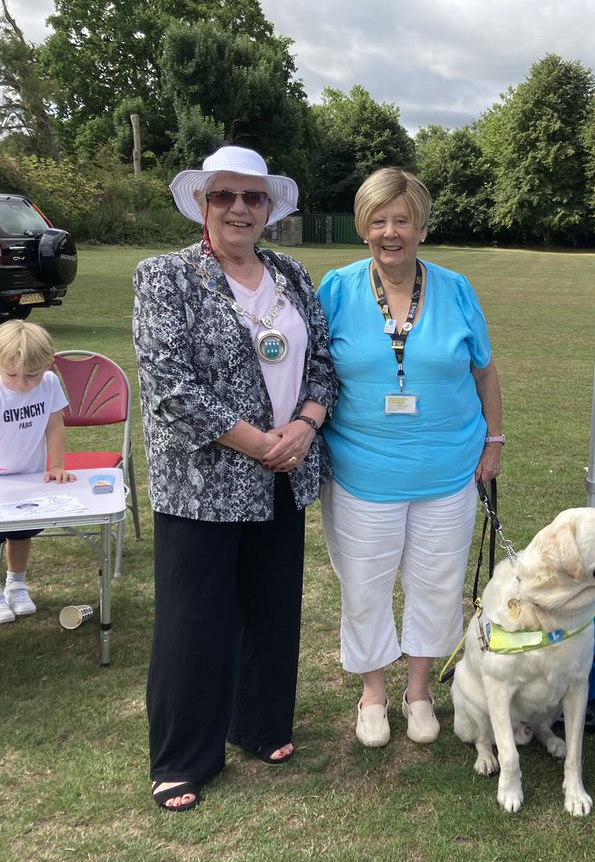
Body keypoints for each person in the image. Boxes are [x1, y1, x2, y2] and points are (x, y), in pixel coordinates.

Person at [132, 145, 336, 812]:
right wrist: (258, 442)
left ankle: (261, 724)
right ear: (202, 203)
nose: (239, 208)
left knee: (272, 609)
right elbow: (170, 386)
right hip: (202, 482)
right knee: (195, 622)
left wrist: (304, 426)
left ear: (269, 208)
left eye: (253, 197)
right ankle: (182, 758)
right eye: (225, 195)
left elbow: (323, 365)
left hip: (284, 474)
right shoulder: (165, 276)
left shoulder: (292, 274)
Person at [317, 168, 502, 748]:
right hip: (361, 470)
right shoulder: (336, 289)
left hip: (449, 470)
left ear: (422, 227)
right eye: (379, 220)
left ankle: (418, 691)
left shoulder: (457, 288)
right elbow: (312, 373)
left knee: (438, 584)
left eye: (402, 220)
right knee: (364, 587)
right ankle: (373, 692)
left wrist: (494, 441)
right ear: (362, 227)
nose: (390, 232)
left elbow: (485, 372)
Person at [0, 320, 76, 624]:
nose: (22, 383)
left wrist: (56, 465)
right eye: (11, 375)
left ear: (48, 365)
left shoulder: (50, 384)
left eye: (32, 375)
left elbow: (54, 424)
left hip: (28, 477)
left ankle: (16, 585)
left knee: (20, 534)